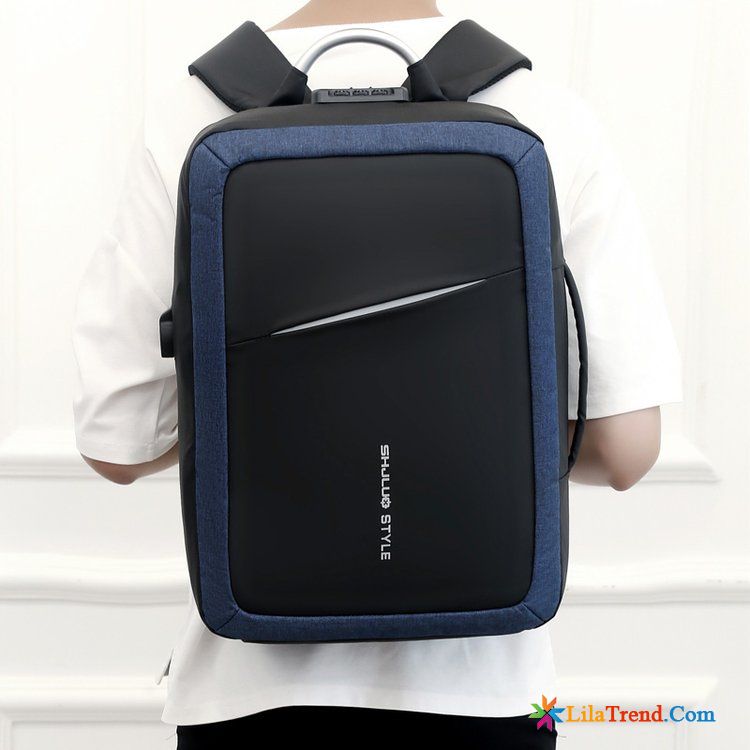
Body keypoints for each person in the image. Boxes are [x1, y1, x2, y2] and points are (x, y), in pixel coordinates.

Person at [72, 1, 682, 747]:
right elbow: (624, 450)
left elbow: (117, 442)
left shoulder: (191, 112)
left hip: (245, 695)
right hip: (489, 693)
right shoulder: (545, 112)